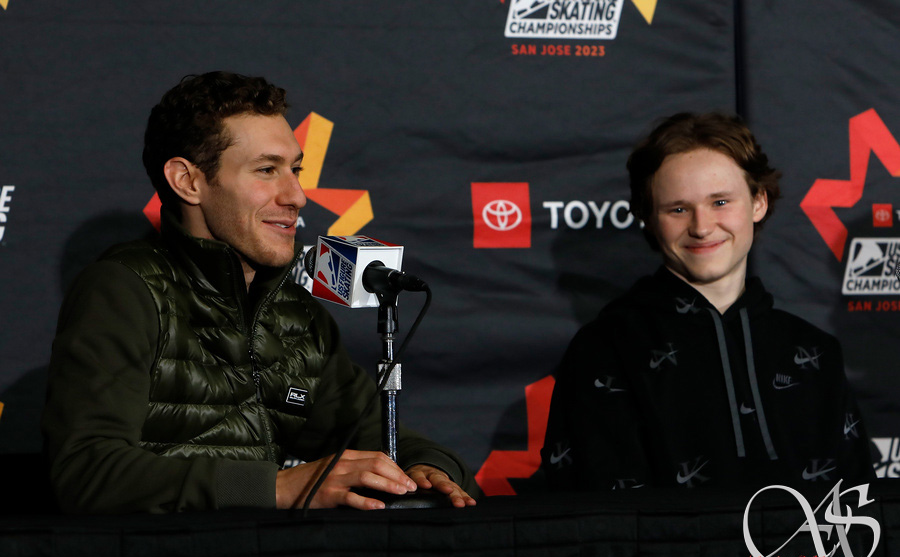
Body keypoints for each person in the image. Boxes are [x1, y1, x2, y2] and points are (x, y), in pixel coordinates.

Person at [42, 71, 478, 513]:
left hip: (266, 555)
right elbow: (86, 471)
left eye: (295, 170)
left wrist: (427, 470)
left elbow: (380, 438)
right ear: (187, 181)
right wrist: (279, 487)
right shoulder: (124, 288)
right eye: (267, 170)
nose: (297, 196)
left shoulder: (294, 312)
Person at [541, 112, 875, 491]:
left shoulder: (816, 351)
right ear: (649, 218)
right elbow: (598, 516)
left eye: (720, 202)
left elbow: (856, 509)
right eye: (678, 209)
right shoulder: (604, 350)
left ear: (758, 202)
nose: (701, 227)